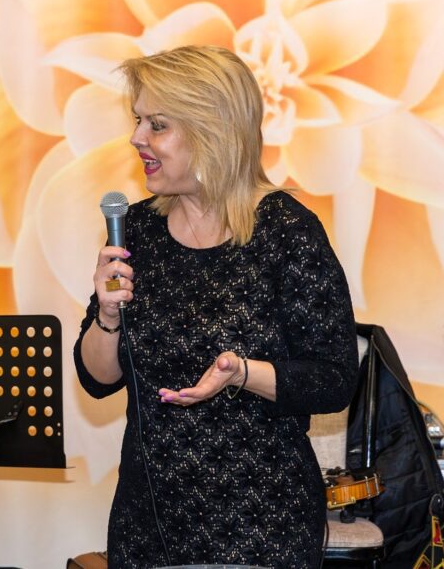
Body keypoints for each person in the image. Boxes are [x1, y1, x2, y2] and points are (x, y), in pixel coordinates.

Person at [73, 45, 359, 568]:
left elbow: (335, 380)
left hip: (264, 531)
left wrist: (243, 373)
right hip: (149, 527)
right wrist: (107, 317)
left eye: (158, 125)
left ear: (213, 131)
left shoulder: (287, 232)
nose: (137, 138)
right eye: (138, 120)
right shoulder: (137, 230)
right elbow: (97, 379)